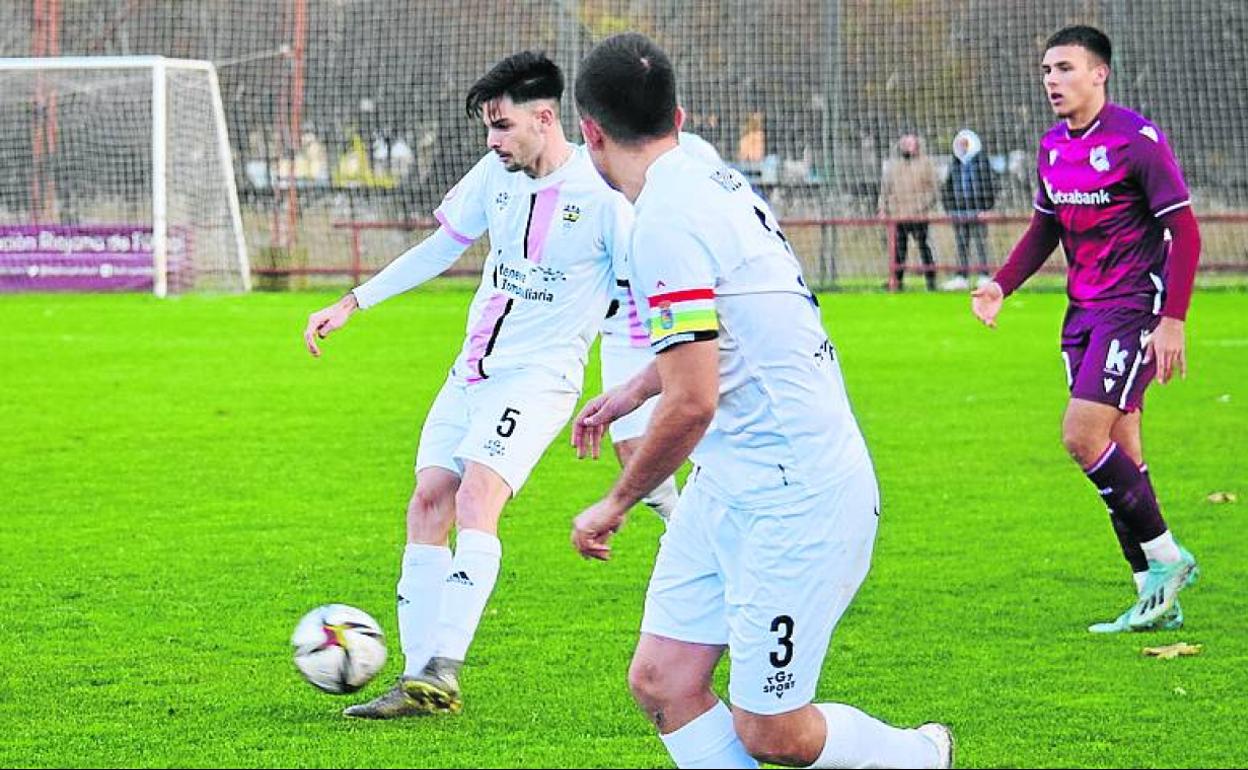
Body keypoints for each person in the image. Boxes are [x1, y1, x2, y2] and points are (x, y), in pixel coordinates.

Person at [571, 33, 952, 769]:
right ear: (678, 115)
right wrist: (631, 388)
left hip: (801, 496)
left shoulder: (664, 224)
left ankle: (918, 757)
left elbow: (692, 404)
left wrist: (614, 503)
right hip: (731, 487)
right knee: (661, 681)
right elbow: (729, 325)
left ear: (591, 133)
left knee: (771, 732)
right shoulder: (705, 170)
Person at [302, 51, 632, 717]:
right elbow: (440, 248)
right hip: (471, 372)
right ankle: (418, 682)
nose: (492, 140)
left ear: (545, 118)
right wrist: (353, 302)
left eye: (502, 126)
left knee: (479, 498)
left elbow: (635, 309)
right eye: (488, 127)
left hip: (539, 381)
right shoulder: (495, 174)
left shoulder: (607, 201)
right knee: (428, 502)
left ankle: (443, 668)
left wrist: (624, 403)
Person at [971, 26, 1202, 633]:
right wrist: (1001, 284)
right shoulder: (1053, 146)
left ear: (1099, 73)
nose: (1052, 79)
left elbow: (1186, 232)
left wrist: (1172, 320)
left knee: (1080, 435)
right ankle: (1151, 596)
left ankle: (1168, 559)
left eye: (1065, 68)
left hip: (1133, 310)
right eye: (1047, 69)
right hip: (1082, 314)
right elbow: (1045, 229)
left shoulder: (1137, 141)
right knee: (1122, 455)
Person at [597, 130, 724, 523]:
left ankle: (702, 532)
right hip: (623, 319)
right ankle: (682, 524)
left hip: (680, 300)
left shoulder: (696, 153)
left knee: (699, 419)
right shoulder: (601, 151)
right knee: (631, 447)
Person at [878, 132, 940, 291]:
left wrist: (921, 206)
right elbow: (885, 189)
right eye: (904, 144)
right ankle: (896, 281)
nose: (907, 147)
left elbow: (933, 190)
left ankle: (931, 281)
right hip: (898, 215)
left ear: (917, 146)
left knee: (924, 247)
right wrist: (883, 209)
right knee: (898, 249)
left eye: (910, 143)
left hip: (919, 216)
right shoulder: (893, 166)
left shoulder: (926, 164)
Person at [941, 128, 995, 290]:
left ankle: (984, 275)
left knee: (980, 243)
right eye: (960, 144)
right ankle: (961, 276)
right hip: (959, 210)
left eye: (965, 144)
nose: (962, 147)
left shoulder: (981, 162)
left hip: (978, 209)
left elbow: (990, 186)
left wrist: (987, 207)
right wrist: (949, 208)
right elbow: (947, 187)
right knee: (961, 244)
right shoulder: (955, 163)